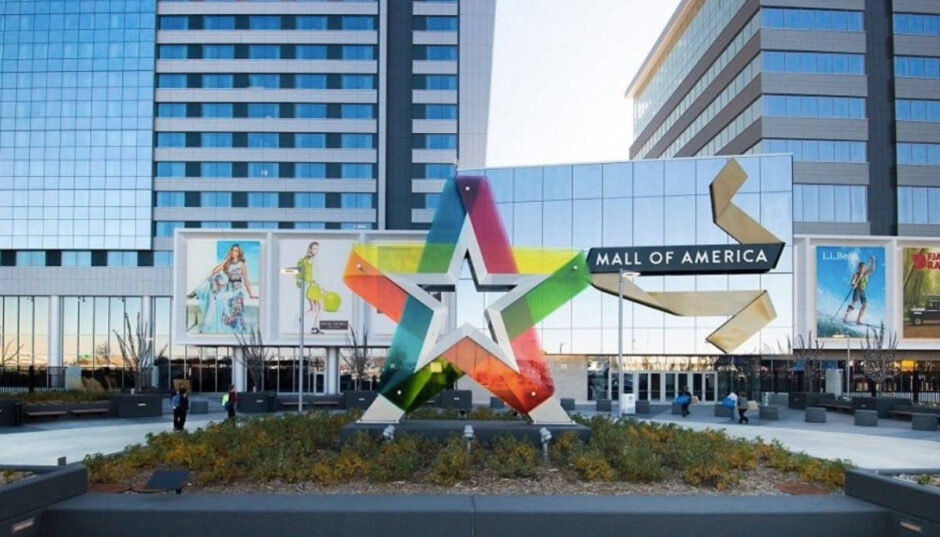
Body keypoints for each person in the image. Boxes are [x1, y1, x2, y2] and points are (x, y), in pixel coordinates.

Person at [189, 244, 257, 334]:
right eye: (232, 250)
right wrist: (225, 261)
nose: (233, 252)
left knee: (219, 298)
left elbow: (246, 280)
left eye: (236, 251)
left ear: (239, 253)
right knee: (213, 281)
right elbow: (214, 271)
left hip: (237, 290)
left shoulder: (241, 264)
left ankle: (198, 293)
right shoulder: (228, 263)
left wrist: (250, 294)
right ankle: (199, 292)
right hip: (228, 288)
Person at [297, 241, 323, 334]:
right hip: (314, 286)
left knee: (314, 309)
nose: (316, 251)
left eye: (317, 249)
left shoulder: (306, 259)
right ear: (310, 249)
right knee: (321, 307)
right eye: (315, 249)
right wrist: (320, 286)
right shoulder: (312, 259)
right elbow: (314, 274)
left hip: (309, 286)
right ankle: (314, 327)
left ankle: (302, 319)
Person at [843, 255, 875, 325]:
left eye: (863, 267)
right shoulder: (856, 274)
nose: (862, 269)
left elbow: (872, 269)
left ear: (865, 268)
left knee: (865, 305)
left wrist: (872, 262)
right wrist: (853, 284)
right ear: (858, 268)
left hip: (863, 291)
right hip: (857, 290)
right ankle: (845, 317)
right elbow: (852, 282)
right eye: (861, 267)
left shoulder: (865, 274)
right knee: (854, 302)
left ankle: (858, 320)